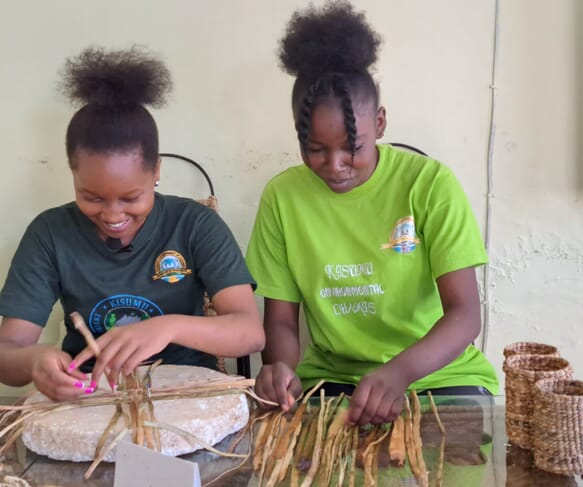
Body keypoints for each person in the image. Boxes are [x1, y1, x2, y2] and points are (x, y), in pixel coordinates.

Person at [247, 1, 498, 426]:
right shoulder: (282, 197)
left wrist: (398, 372)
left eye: (353, 147)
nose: (335, 164)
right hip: (332, 383)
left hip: (438, 378)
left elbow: (465, 315)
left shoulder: (429, 184)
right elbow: (283, 322)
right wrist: (281, 369)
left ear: (380, 124)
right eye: (315, 149)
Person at [0, 46, 264, 402]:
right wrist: (36, 360)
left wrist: (166, 327)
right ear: (73, 173)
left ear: (156, 171)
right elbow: (7, 354)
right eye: (91, 197)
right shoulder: (50, 234)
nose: (112, 215)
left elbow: (250, 332)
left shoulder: (194, 224)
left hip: (188, 398)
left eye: (130, 198)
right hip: (92, 400)